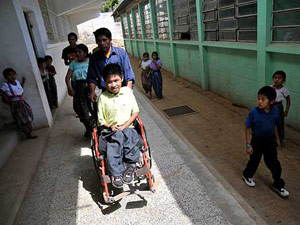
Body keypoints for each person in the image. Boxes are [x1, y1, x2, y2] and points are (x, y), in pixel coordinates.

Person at [97, 63, 141, 188]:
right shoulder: (102, 97)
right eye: (109, 82)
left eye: (116, 80)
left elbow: (135, 112)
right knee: (114, 144)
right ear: (105, 82)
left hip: (128, 126)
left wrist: (125, 125)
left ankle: (131, 166)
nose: (113, 84)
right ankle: (116, 173)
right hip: (111, 129)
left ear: (122, 79)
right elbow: (101, 119)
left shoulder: (127, 92)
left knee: (130, 138)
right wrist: (110, 126)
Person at [242, 86, 289, 198]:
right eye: (258, 98)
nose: (259, 101)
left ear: (271, 101)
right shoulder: (254, 112)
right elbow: (247, 128)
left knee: (274, 163)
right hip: (257, 139)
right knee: (254, 160)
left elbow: (274, 126)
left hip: (269, 140)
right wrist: (248, 144)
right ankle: (247, 175)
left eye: (263, 99)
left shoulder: (275, 111)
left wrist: (277, 139)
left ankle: (278, 184)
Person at [87, 27, 135, 101]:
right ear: (96, 42)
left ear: (110, 40)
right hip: (106, 93)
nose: (102, 43)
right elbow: (91, 77)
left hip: (122, 91)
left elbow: (128, 73)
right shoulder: (94, 58)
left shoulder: (121, 53)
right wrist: (92, 91)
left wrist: (128, 91)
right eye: (99, 41)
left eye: (104, 40)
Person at [0, 68, 37, 139]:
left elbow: (21, 90)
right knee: (22, 118)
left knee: (27, 116)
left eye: (13, 74)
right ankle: (28, 133)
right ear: (6, 77)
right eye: (9, 75)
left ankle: (26, 131)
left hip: (22, 102)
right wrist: (6, 98)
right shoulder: (5, 85)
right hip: (15, 104)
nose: (12, 77)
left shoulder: (17, 82)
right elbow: (1, 93)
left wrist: (23, 82)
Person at [65, 44, 92, 137]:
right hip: (78, 88)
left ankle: (97, 129)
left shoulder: (90, 61)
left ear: (85, 52)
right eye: (76, 52)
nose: (78, 53)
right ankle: (88, 128)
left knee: (93, 108)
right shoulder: (73, 63)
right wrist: (70, 88)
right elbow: (67, 77)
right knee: (80, 110)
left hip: (89, 87)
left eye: (80, 51)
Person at [271, 70, 290, 143]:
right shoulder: (270, 87)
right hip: (270, 107)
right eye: (275, 77)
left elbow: (288, 101)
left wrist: (286, 111)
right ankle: (271, 137)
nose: (277, 80)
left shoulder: (284, 90)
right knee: (271, 122)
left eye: (279, 78)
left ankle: (280, 139)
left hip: (278, 108)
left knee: (279, 123)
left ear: (283, 80)